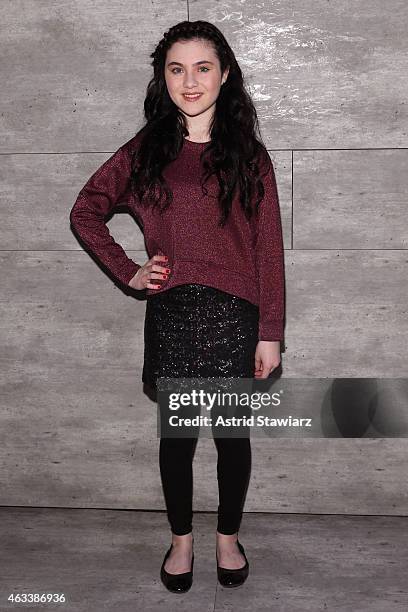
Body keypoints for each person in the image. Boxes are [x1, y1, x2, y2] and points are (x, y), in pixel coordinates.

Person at [70, 20, 285, 593]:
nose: (189, 81)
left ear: (226, 74)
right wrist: (130, 271)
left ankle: (228, 539)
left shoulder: (251, 157)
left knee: (233, 439)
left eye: (203, 67)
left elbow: (268, 252)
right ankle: (182, 540)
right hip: (173, 316)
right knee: (179, 440)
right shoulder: (145, 151)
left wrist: (271, 331)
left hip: (236, 316)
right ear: (163, 78)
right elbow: (85, 210)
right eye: (176, 68)